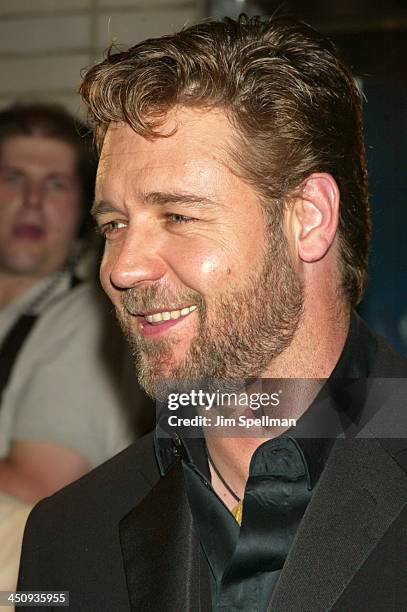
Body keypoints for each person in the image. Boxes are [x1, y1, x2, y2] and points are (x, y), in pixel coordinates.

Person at [17, 16, 407, 611]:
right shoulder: (69, 535)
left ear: (309, 217)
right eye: (113, 225)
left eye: (178, 216)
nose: (123, 268)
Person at [0, 103, 134, 505]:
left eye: (56, 184)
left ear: (84, 211)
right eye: (13, 177)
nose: (32, 201)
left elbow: (40, 489)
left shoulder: (87, 319)